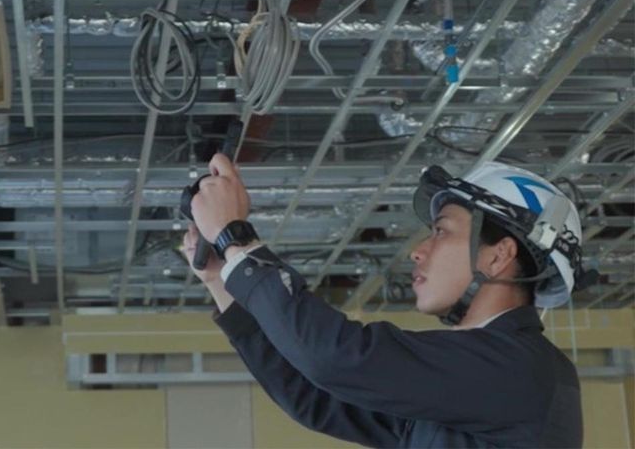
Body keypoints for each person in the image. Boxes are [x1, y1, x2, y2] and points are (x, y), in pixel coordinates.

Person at [182, 155, 594, 448]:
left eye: (441, 231)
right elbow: (317, 397)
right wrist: (223, 280)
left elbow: (336, 358)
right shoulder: (485, 377)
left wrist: (235, 238)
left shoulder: (517, 369)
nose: (418, 251)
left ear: (498, 255)